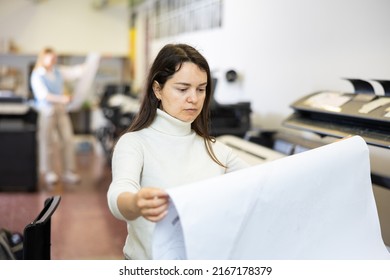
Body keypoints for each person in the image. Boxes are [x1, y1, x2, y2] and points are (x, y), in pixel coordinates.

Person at [107, 43, 249, 260]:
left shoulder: (215, 149)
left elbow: (263, 183)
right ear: (157, 89)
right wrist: (136, 203)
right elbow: (119, 193)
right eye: (183, 89)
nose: (194, 98)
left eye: (201, 89)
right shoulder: (134, 143)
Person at [30, 47, 82, 185]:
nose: (53, 59)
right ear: (43, 58)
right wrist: (62, 99)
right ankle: (48, 172)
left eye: (55, 57)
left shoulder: (58, 71)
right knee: (47, 142)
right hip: (47, 111)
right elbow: (43, 95)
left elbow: (75, 72)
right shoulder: (37, 75)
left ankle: (68, 171)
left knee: (68, 139)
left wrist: (93, 62)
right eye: (50, 57)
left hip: (60, 110)